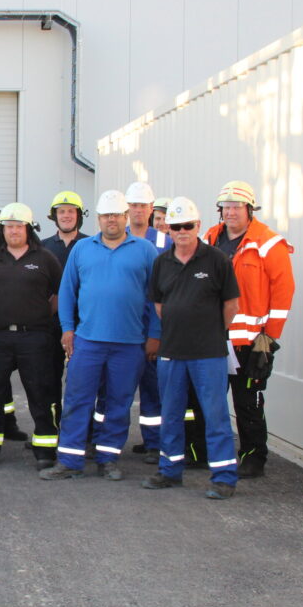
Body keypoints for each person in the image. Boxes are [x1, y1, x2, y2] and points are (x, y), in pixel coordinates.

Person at [40, 189, 160, 481]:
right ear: (99, 219)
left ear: (126, 217)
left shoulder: (145, 251)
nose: (111, 221)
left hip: (130, 343)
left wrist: (154, 335)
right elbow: (67, 292)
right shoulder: (83, 249)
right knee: (77, 400)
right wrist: (68, 329)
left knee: (117, 403)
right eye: (106, 215)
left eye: (117, 215)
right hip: (88, 341)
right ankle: (69, 460)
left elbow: (158, 297)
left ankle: (108, 459)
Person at [142, 197, 241, 499]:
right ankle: (170, 471)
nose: (182, 231)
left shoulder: (216, 260)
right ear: (168, 229)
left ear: (198, 226)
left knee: (215, 415)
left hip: (208, 353)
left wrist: (209, 331)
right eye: (176, 226)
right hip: (172, 352)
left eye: (188, 226)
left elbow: (231, 305)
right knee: (170, 414)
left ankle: (224, 477)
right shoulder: (162, 263)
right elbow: (159, 305)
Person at [204, 180, 294, 478]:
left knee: (248, 403)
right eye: (225, 207)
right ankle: (212, 453)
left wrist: (269, 337)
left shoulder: (269, 243)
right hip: (215, 337)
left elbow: (283, 292)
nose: (230, 213)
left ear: (249, 209)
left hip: (251, 342)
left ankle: (254, 457)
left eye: (236, 207)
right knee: (212, 400)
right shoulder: (211, 238)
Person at [0, 203, 63, 469]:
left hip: (35, 337)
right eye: (9, 226)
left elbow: (58, 295)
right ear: (2, 230)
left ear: (29, 228)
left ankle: (45, 449)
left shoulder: (45, 258)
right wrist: (4, 312)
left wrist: (35, 315)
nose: (13, 231)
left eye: (18, 226)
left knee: (40, 393)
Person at [123, 181, 173, 464]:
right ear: (127, 209)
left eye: (143, 205)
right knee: (118, 389)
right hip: (125, 328)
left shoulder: (166, 242)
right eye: (134, 206)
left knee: (154, 389)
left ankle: (154, 442)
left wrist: (158, 331)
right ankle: (108, 441)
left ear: (152, 209)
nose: (138, 210)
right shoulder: (118, 237)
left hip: (155, 327)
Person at [39, 191, 90, 442]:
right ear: (54, 216)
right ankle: (51, 432)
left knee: (82, 383)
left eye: (71, 211)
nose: (66, 215)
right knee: (48, 381)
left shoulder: (92, 245)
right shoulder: (42, 247)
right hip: (50, 326)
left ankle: (83, 434)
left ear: (79, 216)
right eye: (62, 211)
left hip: (85, 325)